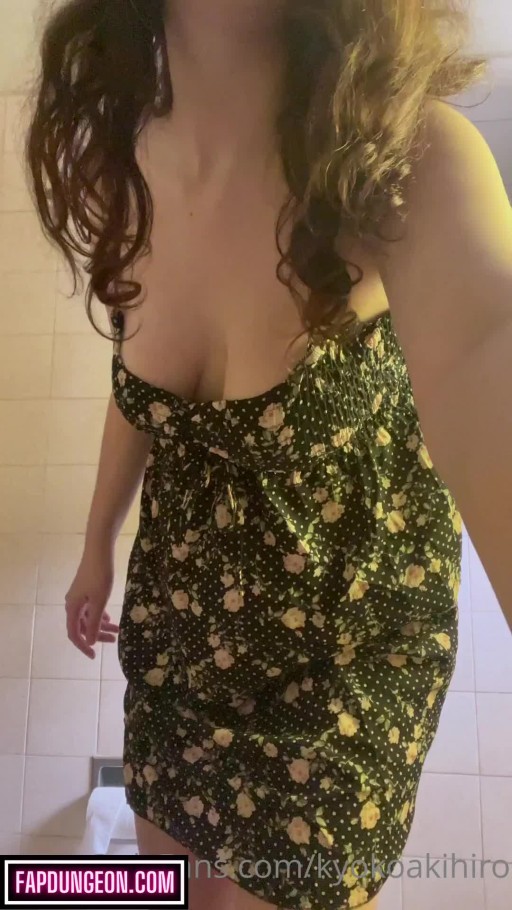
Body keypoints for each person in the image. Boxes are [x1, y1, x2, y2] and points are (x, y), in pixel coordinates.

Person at [25, 1, 512, 908]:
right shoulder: (119, 165)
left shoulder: (410, 167)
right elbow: (140, 390)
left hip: (343, 657)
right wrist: (97, 542)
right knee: (181, 887)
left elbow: (490, 350)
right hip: (182, 627)